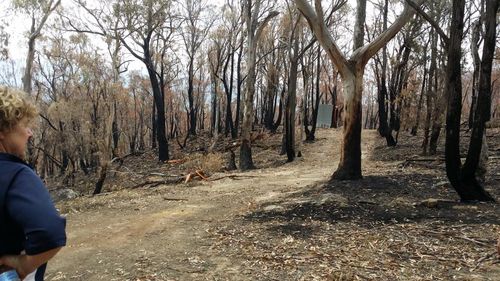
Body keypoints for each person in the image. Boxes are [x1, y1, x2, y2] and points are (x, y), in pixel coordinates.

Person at [0, 86, 66, 281]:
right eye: (24, 124)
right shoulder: (16, 174)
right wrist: (23, 265)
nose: (29, 133)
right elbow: (50, 232)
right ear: (2, 130)